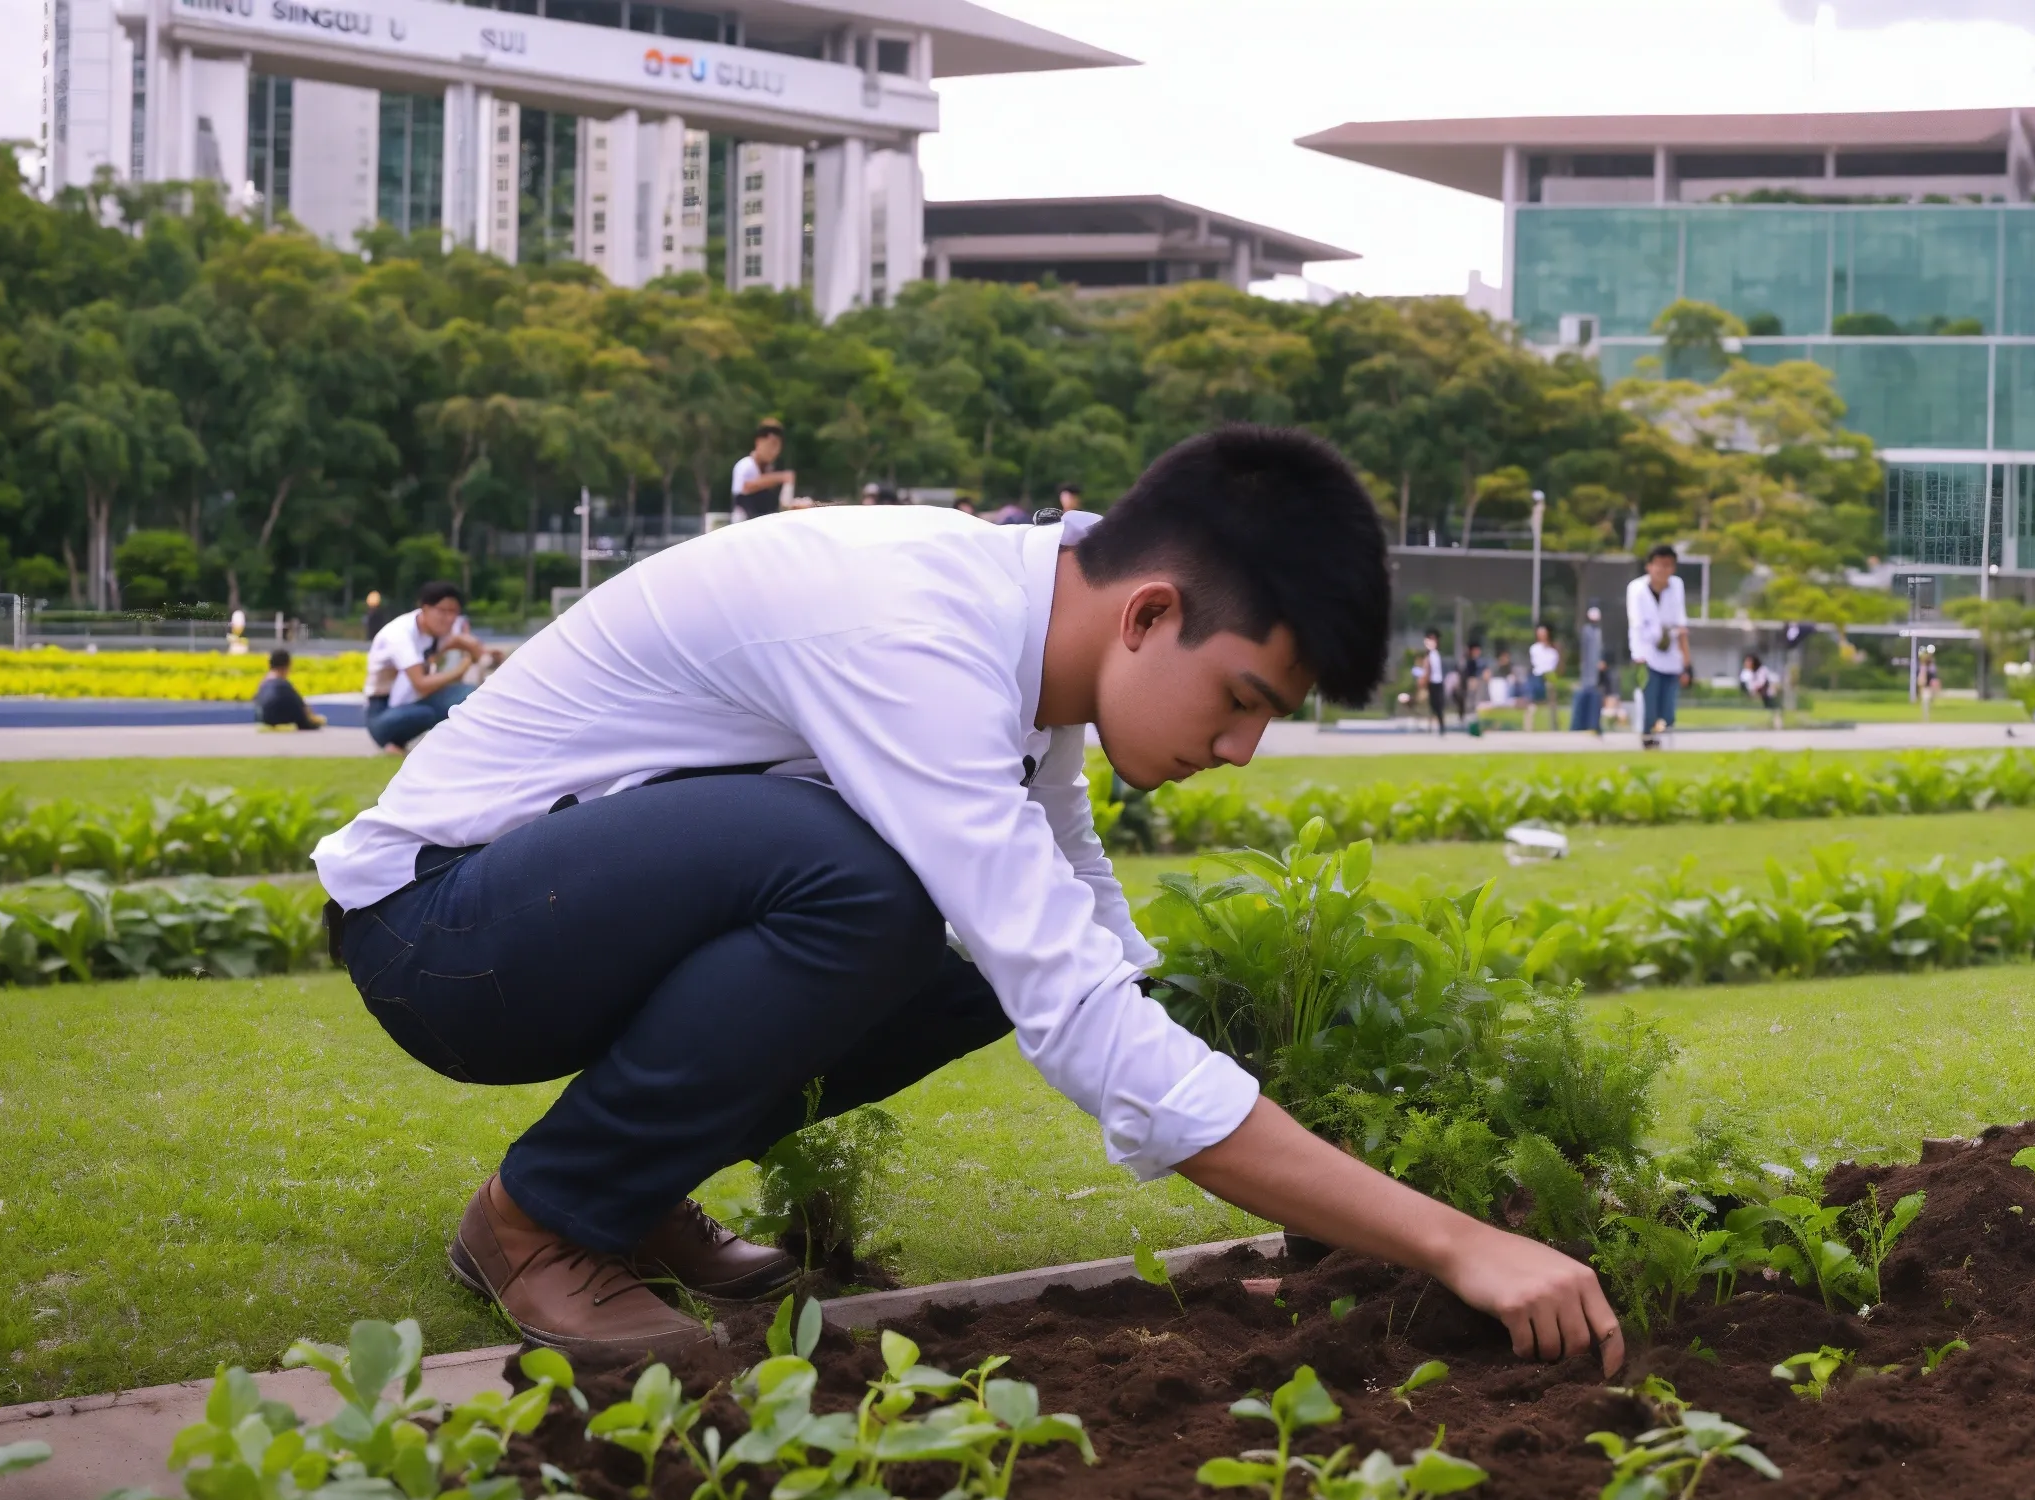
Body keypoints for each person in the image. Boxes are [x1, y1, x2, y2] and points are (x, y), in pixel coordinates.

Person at [310, 425, 1623, 1374]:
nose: (1239, 752)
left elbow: (1082, 931)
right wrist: (1450, 1240)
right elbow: (1085, 1023)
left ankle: (628, 1185)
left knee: (972, 947)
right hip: (445, 933)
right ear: (1151, 614)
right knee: (865, 889)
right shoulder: (915, 637)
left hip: (551, 921)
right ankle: (539, 1220)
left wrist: (1310, 1126)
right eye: (1243, 702)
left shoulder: (1025, 636)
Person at [364, 582, 500, 754]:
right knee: (425, 713)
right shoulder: (400, 635)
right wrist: (464, 665)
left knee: (471, 694)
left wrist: (483, 652)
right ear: (425, 609)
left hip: (414, 700)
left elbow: (462, 642)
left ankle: (471, 747)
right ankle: (393, 742)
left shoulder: (436, 632)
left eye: (454, 612)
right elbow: (420, 683)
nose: (450, 619)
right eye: (443, 611)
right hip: (384, 712)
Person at [1625, 545, 1690, 749]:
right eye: (1659, 566)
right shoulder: (1636, 589)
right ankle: (1648, 742)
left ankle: (1666, 743)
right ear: (1649, 567)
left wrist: (1687, 662)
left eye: (1668, 566)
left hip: (1670, 654)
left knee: (1668, 706)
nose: (1663, 571)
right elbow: (1635, 625)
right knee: (1648, 704)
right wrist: (1638, 657)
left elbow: (1681, 625)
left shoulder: (1676, 586)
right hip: (1646, 653)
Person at [730, 422, 796, 521]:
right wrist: (781, 477)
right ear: (759, 442)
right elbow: (746, 487)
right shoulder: (746, 465)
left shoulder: (770, 470)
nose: (774, 451)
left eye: (778, 446)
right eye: (771, 445)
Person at [254, 649, 325, 731]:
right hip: (283, 717)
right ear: (287, 665)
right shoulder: (284, 686)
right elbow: (303, 709)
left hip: (264, 719)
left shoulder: (263, 685)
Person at [1571, 604, 1604, 732]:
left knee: (1595, 693)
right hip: (1588, 668)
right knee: (1587, 688)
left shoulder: (1598, 632)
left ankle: (1594, 724)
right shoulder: (1586, 631)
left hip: (1596, 670)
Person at [1411, 628, 1449, 732]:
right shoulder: (1426, 656)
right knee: (1432, 704)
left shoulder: (1437, 655)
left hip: (1439, 682)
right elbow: (1424, 670)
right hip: (1431, 682)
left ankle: (1441, 726)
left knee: (1439, 705)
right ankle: (1431, 725)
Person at [1525, 624, 1559, 733]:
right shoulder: (1534, 649)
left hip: (1548, 677)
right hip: (1537, 676)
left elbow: (1552, 666)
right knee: (1532, 704)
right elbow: (1536, 664)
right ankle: (1528, 727)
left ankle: (1553, 726)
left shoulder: (1553, 652)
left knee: (1552, 704)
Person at [1456, 639, 1484, 725]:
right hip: (1468, 685)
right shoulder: (1468, 661)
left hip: (1472, 685)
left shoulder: (1475, 661)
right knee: (1469, 704)